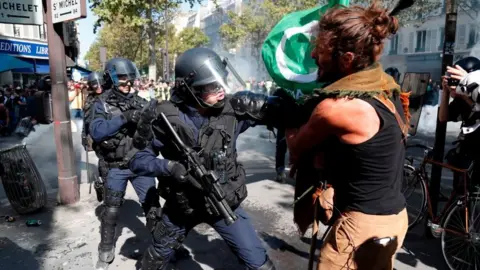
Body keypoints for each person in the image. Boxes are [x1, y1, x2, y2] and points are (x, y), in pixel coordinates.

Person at [128, 47, 278, 270]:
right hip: (182, 207)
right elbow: (137, 160)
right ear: (190, 89)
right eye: (211, 86)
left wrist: (288, 99)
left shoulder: (232, 110)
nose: (220, 91)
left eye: (220, 83)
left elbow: (280, 112)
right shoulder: (164, 117)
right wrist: (169, 167)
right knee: (154, 261)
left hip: (222, 203)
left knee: (259, 263)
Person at [284, 4, 408, 269]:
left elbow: (296, 148)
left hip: (361, 227)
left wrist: (287, 119)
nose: (315, 55)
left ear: (347, 59)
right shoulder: (385, 87)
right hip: (394, 219)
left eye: (322, 50)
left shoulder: (336, 108)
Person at [88, 58, 159, 266]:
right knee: (110, 211)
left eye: (130, 81)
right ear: (110, 80)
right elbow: (97, 131)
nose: (128, 86)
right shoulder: (101, 104)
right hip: (115, 166)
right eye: (122, 82)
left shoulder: (140, 101)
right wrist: (125, 117)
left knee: (153, 208)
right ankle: (106, 249)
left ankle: (162, 247)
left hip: (140, 164)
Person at [439, 56, 480, 190]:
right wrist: (445, 93)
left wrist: (466, 91)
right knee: (460, 195)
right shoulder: (460, 102)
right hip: (464, 155)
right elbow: (443, 117)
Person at [82, 71, 108, 200]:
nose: (98, 86)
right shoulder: (89, 99)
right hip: (96, 135)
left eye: (99, 83)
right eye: (94, 84)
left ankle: (108, 186)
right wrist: (84, 135)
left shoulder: (109, 96)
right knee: (103, 161)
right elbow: (85, 119)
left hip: (109, 132)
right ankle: (105, 186)